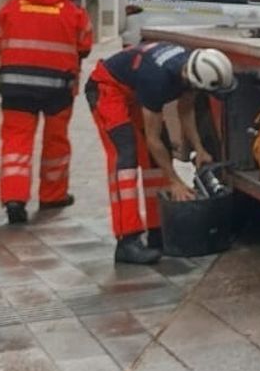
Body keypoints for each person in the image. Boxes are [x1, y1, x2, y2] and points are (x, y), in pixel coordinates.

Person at [85, 42, 234, 264]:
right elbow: (152, 140)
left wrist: (200, 149)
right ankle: (127, 241)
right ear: (194, 79)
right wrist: (174, 181)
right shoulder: (157, 80)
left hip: (133, 90)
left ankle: (158, 230)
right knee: (126, 156)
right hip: (107, 88)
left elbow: (186, 110)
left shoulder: (191, 65)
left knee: (156, 161)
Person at [0, 0, 93, 225]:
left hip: (16, 87)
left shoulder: (11, 7)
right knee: (56, 141)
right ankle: (52, 195)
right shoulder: (74, 12)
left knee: (15, 143)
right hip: (58, 88)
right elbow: (85, 47)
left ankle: (14, 199)